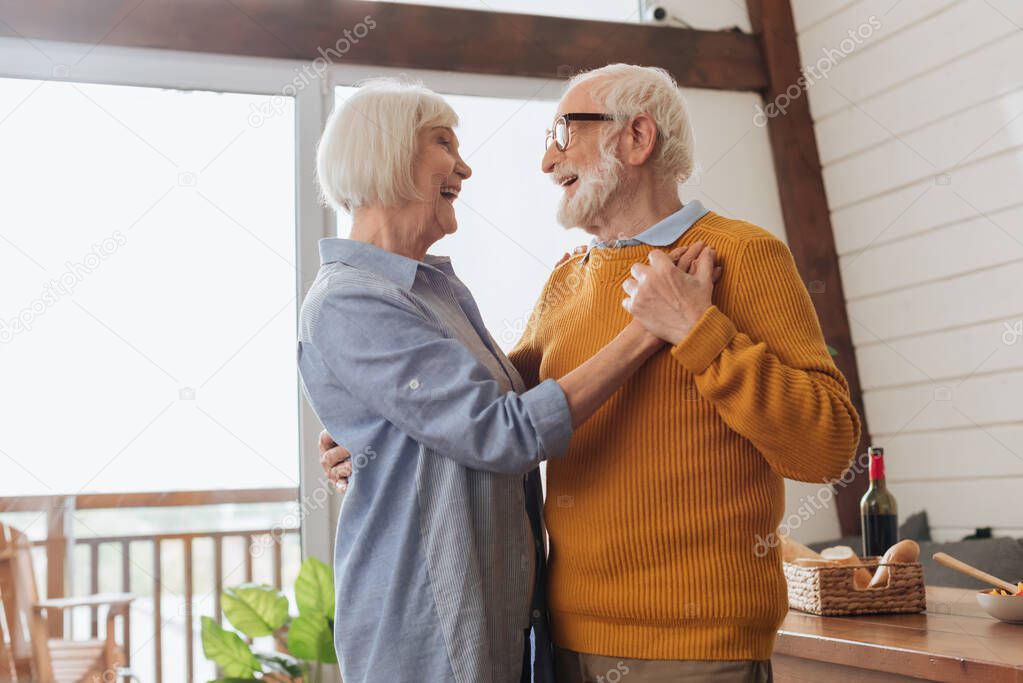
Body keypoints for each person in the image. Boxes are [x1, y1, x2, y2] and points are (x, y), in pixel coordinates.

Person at [323, 64, 861, 683]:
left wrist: (696, 329)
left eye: (563, 133)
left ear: (636, 139)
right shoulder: (567, 278)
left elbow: (828, 449)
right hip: (561, 641)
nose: (547, 163)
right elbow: (497, 416)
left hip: (695, 648)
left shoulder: (741, 254)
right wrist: (387, 428)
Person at [297, 77, 720, 683]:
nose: (464, 169)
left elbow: (491, 399)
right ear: (386, 153)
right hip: (422, 624)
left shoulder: (432, 290)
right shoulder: (349, 302)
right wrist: (650, 329)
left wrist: (375, 443)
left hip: (500, 618)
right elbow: (503, 431)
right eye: (444, 143)